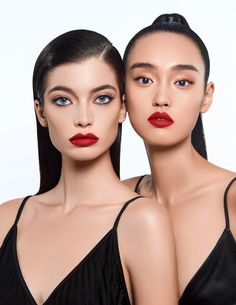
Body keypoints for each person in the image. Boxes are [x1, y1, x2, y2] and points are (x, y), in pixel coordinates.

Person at [0, 29, 178, 305]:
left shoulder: (142, 222)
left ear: (122, 107)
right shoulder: (6, 220)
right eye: (63, 100)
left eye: (101, 98)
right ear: (41, 111)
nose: (83, 118)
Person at [123, 13, 236, 304]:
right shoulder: (112, 202)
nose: (162, 97)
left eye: (182, 82)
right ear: (122, 94)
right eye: (144, 79)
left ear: (206, 96)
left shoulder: (233, 201)